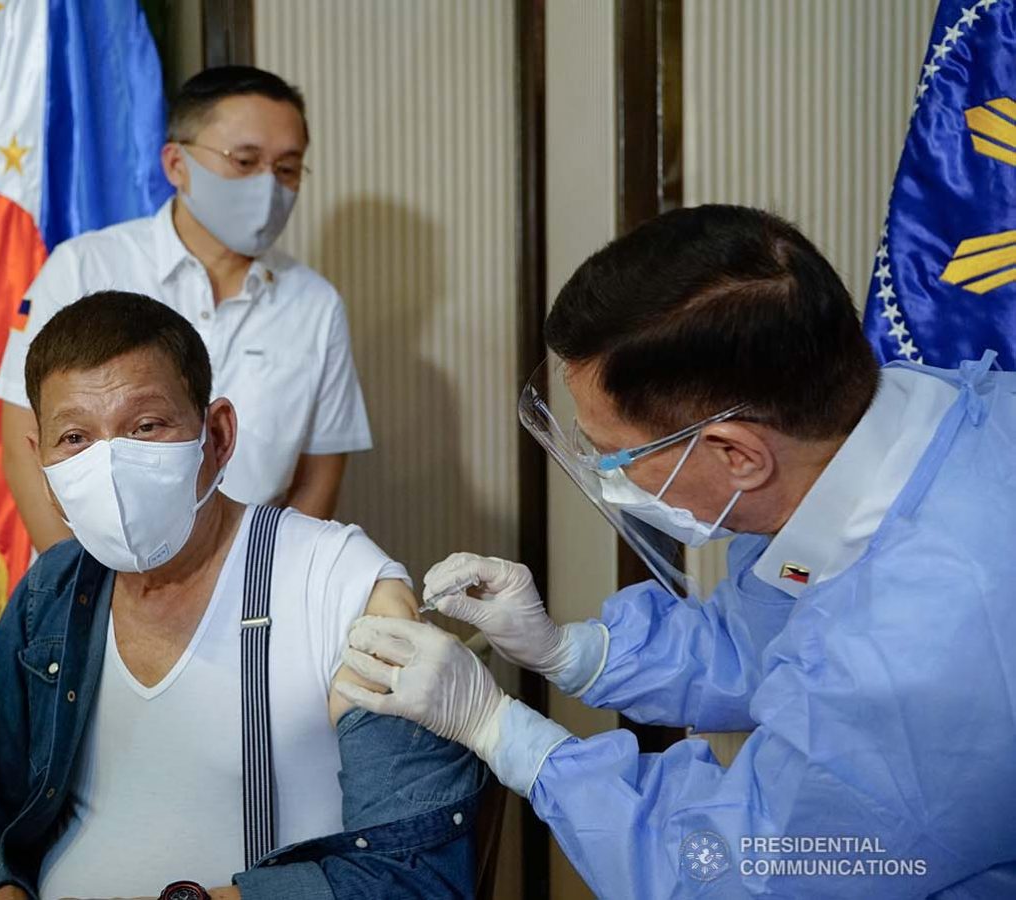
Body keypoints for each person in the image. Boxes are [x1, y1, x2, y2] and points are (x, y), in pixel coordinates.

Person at [337, 205, 1016, 897]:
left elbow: (740, 875)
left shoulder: (910, 657)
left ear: (737, 455)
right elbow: (769, 642)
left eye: (613, 456)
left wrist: (499, 731)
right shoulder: (905, 438)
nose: (608, 478)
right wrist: (568, 650)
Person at [0, 292, 483, 900]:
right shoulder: (51, 595)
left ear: (216, 436)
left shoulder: (340, 583)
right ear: (45, 469)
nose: (109, 465)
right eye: (76, 438)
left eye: (146, 426)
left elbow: (415, 873)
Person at [0, 66, 371, 552]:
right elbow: (23, 440)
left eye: (286, 169)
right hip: (93, 577)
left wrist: (264, 579)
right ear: (176, 164)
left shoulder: (315, 304)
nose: (268, 186)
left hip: (246, 591)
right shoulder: (84, 267)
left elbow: (318, 475)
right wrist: (81, 589)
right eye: (244, 160)